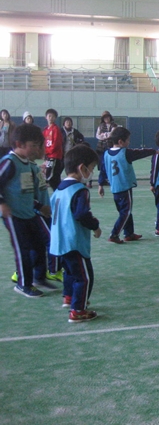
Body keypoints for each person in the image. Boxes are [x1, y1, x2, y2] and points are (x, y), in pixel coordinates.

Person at [50, 144, 101, 322]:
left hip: (58, 242)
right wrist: (95, 226)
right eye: (92, 168)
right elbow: (81, 214)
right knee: (84, 277)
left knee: (69, 272)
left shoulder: (58, 190)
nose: (92, 172)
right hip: (74, 242)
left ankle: (69, 297)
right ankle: (78, 310)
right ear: (82, 168)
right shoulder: (80, 191)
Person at [0, 124, 51, 298]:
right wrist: (2, 203)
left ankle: (39, 278)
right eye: (34, 145)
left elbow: (26, 192)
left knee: (38, 245)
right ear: (19, 144)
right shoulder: (9, 163)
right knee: (23, 249)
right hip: (14, 217)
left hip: (30, 214)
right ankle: (23, 284)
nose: (37, 149)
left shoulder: (28, 165)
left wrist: (39, 207)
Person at [98, 126, 158, 243]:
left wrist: (100, 185)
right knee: (126, 212)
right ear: (120, 142)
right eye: (128, 140)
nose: (129, 142)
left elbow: (103, 170)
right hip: (124, 188)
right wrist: (154, 151)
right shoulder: (125, 153)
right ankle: (114, 234)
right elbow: (140, 153)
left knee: (125, 211)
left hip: (114, 189)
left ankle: (129, 233)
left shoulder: (106, 154)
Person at [43, 108, 64, 190]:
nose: (51, 118)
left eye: (53, 116)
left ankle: (59, 192)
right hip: (49, 157)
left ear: (55, 118)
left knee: (52, 177)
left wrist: (46, 151)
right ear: (46, 117)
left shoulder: (56, 129)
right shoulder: (45, 130)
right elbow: (43, 142)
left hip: (54, 157)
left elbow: (56, 144)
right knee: (53, 178)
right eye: (49, 116)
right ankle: (59, 192)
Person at [95, 111, 118, 178]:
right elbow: (97, 135)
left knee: (110, 163)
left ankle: (109, 177)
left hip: (110, 147)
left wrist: (104, 135)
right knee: (102, 163)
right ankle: (102, 179)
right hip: (101, 148)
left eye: (107, 117)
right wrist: (105, 135)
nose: (106, 119)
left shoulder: (114, 125)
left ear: (110, 117)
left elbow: (112, 134)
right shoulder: (100, 126)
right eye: (105, 118)